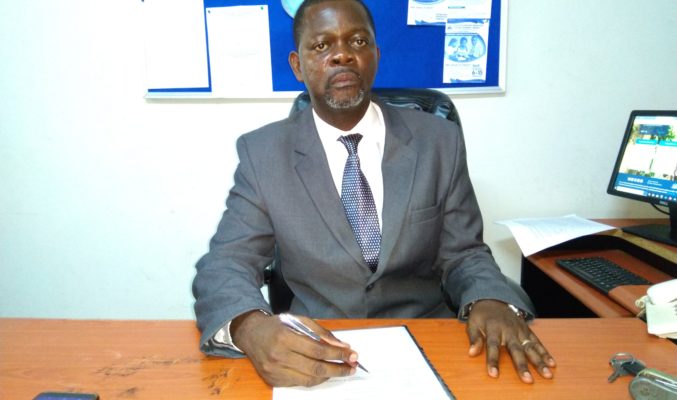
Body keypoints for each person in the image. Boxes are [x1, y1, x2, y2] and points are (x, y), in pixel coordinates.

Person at [193, 0, 556, 388]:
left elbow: (464, 253)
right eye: (322, 45)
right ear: (297, 66)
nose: (342, 55)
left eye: (358, 41)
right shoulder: (263, 154)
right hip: (317, 348)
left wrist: (491, 299)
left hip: (428, 341)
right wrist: (251, 328)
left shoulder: (439, 141)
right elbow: (226, 263)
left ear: (375, 56)